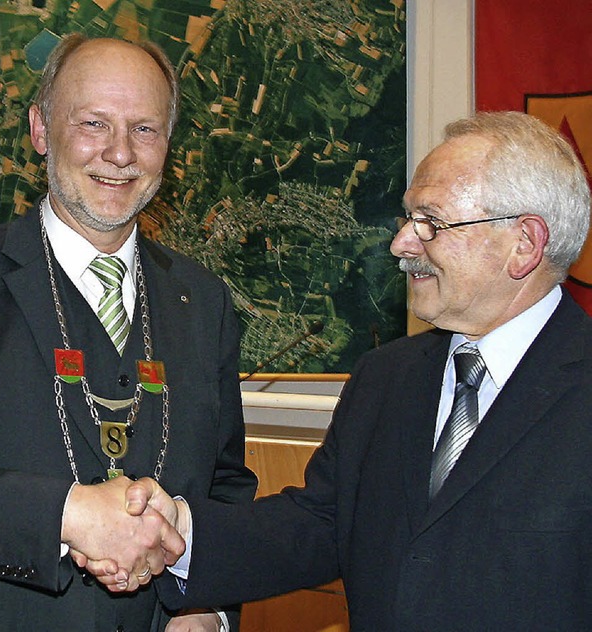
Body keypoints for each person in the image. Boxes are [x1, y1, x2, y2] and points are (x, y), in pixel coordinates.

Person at [89, 111, 592, 630]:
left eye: (431, 223)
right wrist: (180, 532)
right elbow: (322, 525)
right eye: (407, 220)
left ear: (525, 244)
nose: (402, 244)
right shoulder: (386, 377)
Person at [0, 34, 256, 632]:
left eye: (144, 129)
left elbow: (226, 484)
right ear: (41, 130)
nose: (120, 154)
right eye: (94, 122)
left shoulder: (205, 301)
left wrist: (210, 608)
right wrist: (61, 515)